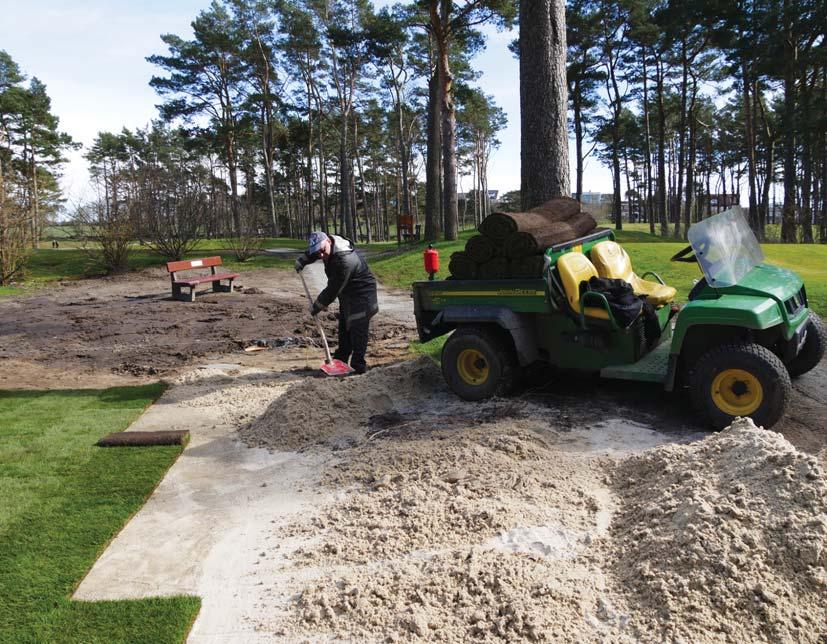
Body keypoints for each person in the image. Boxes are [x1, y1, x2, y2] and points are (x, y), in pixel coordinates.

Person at [295, 231, 378, 374]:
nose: (321, 255)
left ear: (328, 241)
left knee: (357, 331)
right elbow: (315, 251)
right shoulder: (326, 247)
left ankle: (359, 367)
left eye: (322, 251)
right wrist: (302, 260)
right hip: (347, 294)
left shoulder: (344, 260)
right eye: (317, 252)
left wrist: (317, 306)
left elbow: (333, 289)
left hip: (363, 295)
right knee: (344, 328)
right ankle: (340, 361)